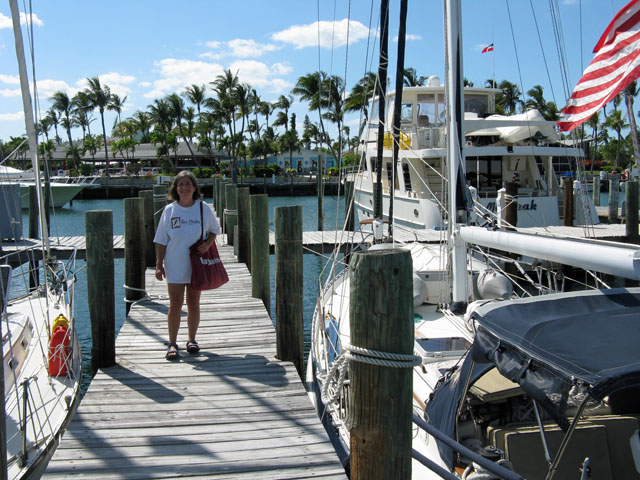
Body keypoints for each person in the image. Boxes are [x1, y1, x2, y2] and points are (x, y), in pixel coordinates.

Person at [153, 170, 221, 360]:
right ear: (175, 188)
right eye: (180, 184)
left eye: (188, 184)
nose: (184, 187)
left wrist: (207, 244)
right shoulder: (169, 210)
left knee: (193, 303)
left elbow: (214, 231)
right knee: (175, 305)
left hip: (196, 264)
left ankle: (192, 339)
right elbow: (161, 240)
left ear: (194, 187)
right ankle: (172, 343)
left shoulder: (203, 208)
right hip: (174, 264)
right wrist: (159, 264)